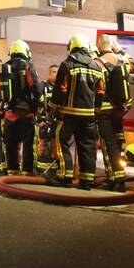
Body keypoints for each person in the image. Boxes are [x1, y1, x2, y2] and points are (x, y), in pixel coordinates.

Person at [49, 33, 106, 189]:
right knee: (87, 145)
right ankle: (87, 181)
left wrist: (53, 108)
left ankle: (65, 176)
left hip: (69, 113)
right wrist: (96, 111)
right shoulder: (96, 67)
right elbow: (101, 92)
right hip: (88, 116)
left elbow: (60, 90)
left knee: (61, 140)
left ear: (72, 46)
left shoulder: (67, 64)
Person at [96, 34, 134, 191]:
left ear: (99, 46)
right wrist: (120, 50)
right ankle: (119, 176)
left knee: (108, 144)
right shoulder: (123, 61)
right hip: (120, 109)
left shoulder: (98, 62)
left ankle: (115, 179)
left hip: (105, 110)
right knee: (118, 143)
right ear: (112, 45)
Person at [0, 39, 39, 176]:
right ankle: (27, 171)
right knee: (28, 145)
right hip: (26, 114)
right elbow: (35, 87)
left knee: (11, 145)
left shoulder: (3, 68)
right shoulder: (27, 66)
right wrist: (41, 103)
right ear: (26, 52)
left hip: (9, 114)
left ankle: (12, 171)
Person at [35, 64, 59, 174]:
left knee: (55, 148)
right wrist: (40, 120)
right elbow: (37, 104)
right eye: (53, 72)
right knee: (43, 147)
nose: (56, 74)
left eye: (57, 72)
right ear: (49, 73)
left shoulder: (60, 88)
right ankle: (41, 170)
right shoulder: (43, 86)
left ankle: (53, 171)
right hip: (44, 122)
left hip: (57, 122)